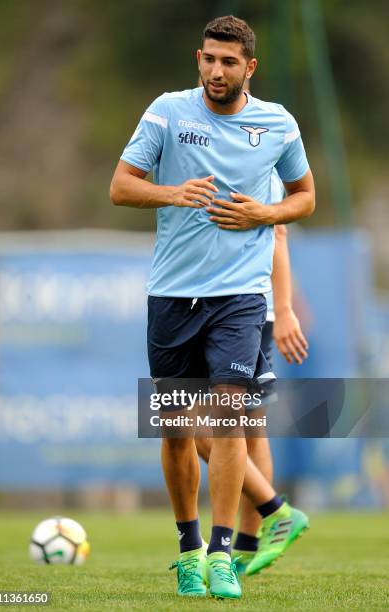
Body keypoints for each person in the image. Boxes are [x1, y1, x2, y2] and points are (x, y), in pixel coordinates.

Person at [110, 15, 315, 600]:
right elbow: (121, 186)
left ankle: (227, 552)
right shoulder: (167, 112)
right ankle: (189, 548)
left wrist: (264, 214)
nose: (216, 71)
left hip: (240, 296)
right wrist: (171, 192)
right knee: (178, 431)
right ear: (198, 59)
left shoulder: (277, 124)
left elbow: (305, 197)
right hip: (172, 294)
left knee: (229, 424)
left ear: (249, 67)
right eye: (208, 59)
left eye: (228, 62)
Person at [196, 170, 310, 577]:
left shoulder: (256, 158)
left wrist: (282, 310)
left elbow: (278, 234)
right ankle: (246, 545)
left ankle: (275, 511)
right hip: (223, 307)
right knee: (249, 429)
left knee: (206, 433)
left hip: (246, 311)